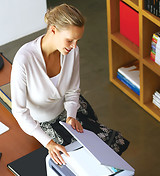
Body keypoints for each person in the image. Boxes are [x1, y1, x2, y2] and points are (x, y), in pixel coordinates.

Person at [11, 4, 129, 166]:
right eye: (69, 40)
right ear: (53, 30)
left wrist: (71, 115)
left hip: (69, 110)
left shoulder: (71, 51)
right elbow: (19, 112)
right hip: (43, 123)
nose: (74, 46)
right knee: (78, 162)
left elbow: (73, 90)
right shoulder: (24, 60)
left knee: (112, 143)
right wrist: (48, 143)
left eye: (77, 40)